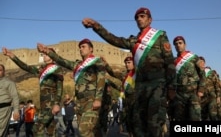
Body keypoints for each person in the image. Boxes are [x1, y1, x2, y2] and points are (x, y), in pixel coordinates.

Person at [82, 7, 176, 137]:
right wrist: (96, 27)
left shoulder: (159, 36)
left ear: (150, 20)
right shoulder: (133, 41)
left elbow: (170, 62)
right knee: (137, 125)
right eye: (137, 17)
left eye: (142, 16)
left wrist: (171, 87)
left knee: (154, 125)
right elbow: (113, 39)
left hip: (157, 85)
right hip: (140, 87)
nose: (139, 19)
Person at [37, 38, 113, 137]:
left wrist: (98, 99)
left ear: (91, 49)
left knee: (83, 131)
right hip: (79, 104)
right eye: (80, 47)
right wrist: (47, 52)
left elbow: (101, 79)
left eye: (83, 47)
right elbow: (62, 61)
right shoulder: (77, 65)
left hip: (91, 101)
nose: (81, 49)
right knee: (94, 131)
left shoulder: (96, 61)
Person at [2, 47, 64, 137]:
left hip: (51, 103)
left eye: (47, 54)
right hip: (43, 104)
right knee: (51, 130)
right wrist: (12, 56)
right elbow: (25, 67)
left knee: (37, 128)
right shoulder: (41, 70)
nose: (44, 56)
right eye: (44, 54)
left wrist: (57, 103)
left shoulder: (57, 69)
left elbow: (59, 87)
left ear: (52, 56)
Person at [171, 36, 206, 121]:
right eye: (176, 44)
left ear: (185, 44)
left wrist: (201, 90)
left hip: (193, 94)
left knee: (195, 118)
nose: (178, 45)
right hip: (179, 95)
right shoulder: (173, 61)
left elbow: (202, 74)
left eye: (180, 43)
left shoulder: (193, 57)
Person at [198, 57, 221, 121]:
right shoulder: (196, 73)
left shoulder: (211, 73)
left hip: (211, 97)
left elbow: (216, 85)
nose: (200, 64)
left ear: (204, 63)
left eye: (202, 62)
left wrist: (218, 96)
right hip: (202, 99)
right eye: (199, 62)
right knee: (203, 116)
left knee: (212, 115)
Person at [0, 64, 20, 137]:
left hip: (4, 110)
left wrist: (16, 111)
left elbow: (15, 97)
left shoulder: (9, 83)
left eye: (0, 70)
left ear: (4, 72)